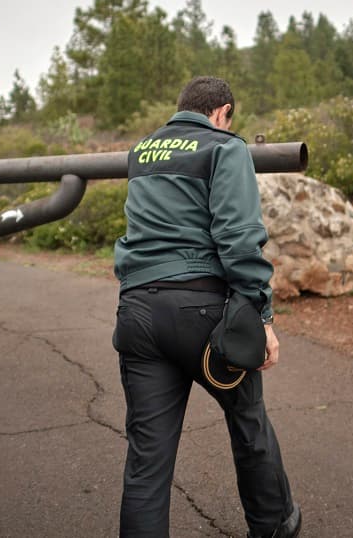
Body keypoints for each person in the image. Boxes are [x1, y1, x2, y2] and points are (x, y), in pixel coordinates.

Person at [112, 76, 301, 537]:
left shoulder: (142, 152)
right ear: (222, 111)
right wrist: (262, 317)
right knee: (248, 423)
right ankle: (276, 527)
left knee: (146, 462)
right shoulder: (224, 146)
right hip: (201, 313)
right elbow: (238, 238)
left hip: (137, 311)